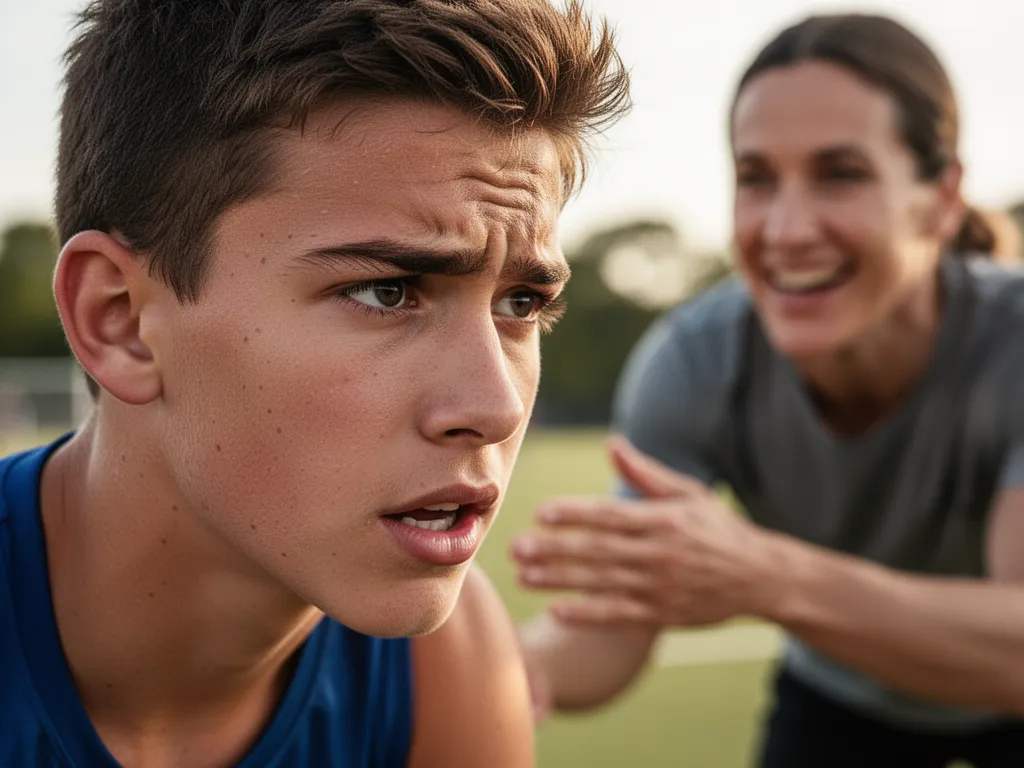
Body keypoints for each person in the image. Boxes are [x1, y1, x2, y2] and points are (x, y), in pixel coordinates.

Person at [0, 1, 629, 766]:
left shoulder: (447, 667)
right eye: (386, 292)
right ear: (121, 321)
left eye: (520, 304)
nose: (494, 407)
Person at [512, 13, 1024, 768]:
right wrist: (452, 674)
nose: (785, 229)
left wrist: (768, 576)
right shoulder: (695, 363)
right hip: (842, 691)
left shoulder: (1012, 344)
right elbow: (610, 636)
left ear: (941, 199)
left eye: (840, 174)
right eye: (756, 179)